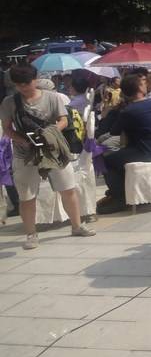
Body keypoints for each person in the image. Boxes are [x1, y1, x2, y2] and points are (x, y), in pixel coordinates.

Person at [0, 64, 95, 249]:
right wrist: (24, 141)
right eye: (19, 84)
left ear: (35, 79)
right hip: (25, 153)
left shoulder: (53, 98)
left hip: (54, 150)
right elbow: (7, 129)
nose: (23, 87)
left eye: (26, 83)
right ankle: (31, 234)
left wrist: (49, 133)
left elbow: (63, 120)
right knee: (27, 196)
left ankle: (77, 225)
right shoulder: (9, 102)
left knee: (68, 189)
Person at [97, 74, 151, 214]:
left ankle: (119, 197)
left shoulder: (128, 111)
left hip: (146, 153)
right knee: (120, 156)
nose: (145, 84)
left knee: (105, 159)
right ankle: (127, 190)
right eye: (143, 83)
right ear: (138, 88)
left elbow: (114, 132)